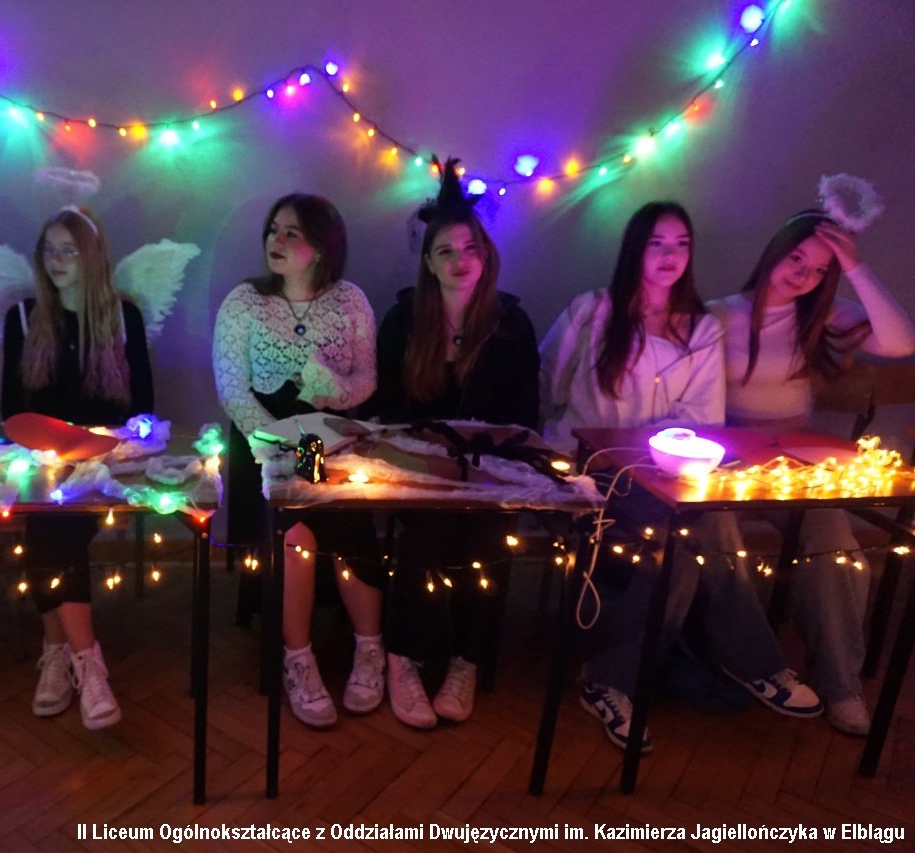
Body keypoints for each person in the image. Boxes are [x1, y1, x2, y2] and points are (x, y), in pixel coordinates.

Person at [540, 201, 820, 751]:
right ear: (635, 249)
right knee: (682, 545)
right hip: (595, 473)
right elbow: (549, 378)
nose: (670, 256)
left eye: (681, 245)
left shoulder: (700, 329)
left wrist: (659, 443)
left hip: (663, 475)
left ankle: (618, 679)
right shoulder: (592, 311)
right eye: (657, 243)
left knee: (698, 534)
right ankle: (742, 663)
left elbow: (701, 418)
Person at [709, 210, 915, 735]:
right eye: (796, 258)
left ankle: (841, 684)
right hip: (726, 464)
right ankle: (756, 663)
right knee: (717, 538)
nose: (803, 275)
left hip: (796, 466)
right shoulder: (718, 315)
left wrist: (855, 265)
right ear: (774, 252)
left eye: (820, 269)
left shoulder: (823, 316)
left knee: (836, 550)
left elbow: (901, 343)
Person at [370, 160, 539, 728]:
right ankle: (404, 657)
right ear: (428, 262)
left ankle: (467, 659)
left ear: (486, 254)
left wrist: (486, 455)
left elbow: (525, 416)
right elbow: (388, 411)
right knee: (427, 531)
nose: (459, 260)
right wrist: (427, 452)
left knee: (490, 534)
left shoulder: (511, 325)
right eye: (445, 251)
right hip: (417, 468)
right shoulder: (403, 321)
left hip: (490, 470)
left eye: (470, 248)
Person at [212, 193, 383, 728]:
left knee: (351, 529)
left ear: (322, 246)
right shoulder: (244, 301)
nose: (277, 240)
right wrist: (277, 444)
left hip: (327, 437)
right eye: (273, 229)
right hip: (262, 439)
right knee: (297, 535)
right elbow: (232, 389)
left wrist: (335, 393)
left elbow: (366, 378)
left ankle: (371, 649)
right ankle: (298, 658)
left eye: (292, 232)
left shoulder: (350, 300)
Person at [2, 206, 153, 730]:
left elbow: (142, 410)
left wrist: (104, 446)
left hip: (104, 464)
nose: (57, 260)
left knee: (51, 532)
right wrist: (49, 450)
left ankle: (62, 653)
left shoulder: (123, 318)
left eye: (69, 250)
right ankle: (84, 663)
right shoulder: (23, 318)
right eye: (49, 250)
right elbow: (10, 411)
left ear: (92, 257)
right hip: (41, 463)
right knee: (49, 524)